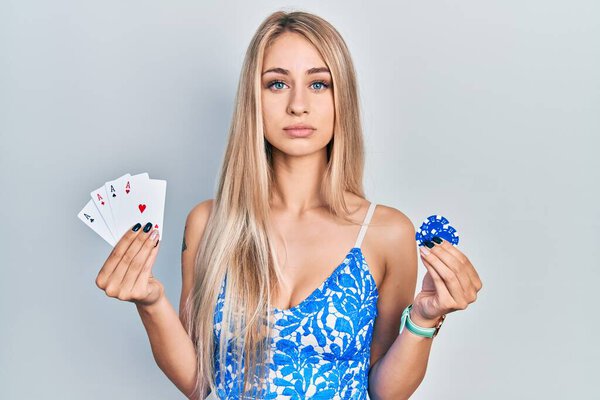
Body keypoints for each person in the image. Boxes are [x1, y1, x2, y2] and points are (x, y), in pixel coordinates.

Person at [95, 10, 482, 400]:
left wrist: (424, 319)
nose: (298, 105)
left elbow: (384, 392)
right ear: (254, 100)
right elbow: (199, 383)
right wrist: (150, 301)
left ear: (341, 99)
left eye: (318, 84)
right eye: (277, 84)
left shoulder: (386, 232)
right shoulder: (209, 223)